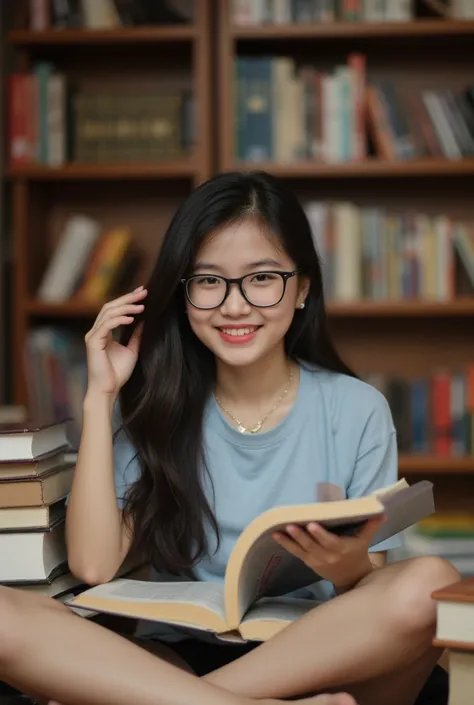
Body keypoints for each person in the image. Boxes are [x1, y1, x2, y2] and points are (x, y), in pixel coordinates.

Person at [0, 171, 457, 705]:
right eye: (209, 281)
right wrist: (99, 398)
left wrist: (345, 565)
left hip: (314, 655)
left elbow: (369, 589)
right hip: (171, 656)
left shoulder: (356, 409)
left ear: (303, 287)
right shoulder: (155, 409)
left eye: (262, 278)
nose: (234, 306)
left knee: (428, 582)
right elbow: (94, 566)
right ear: (183, 292)